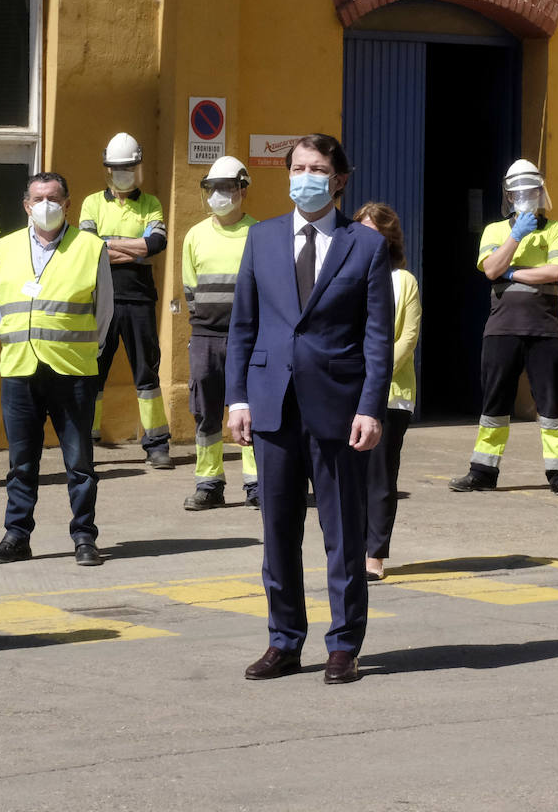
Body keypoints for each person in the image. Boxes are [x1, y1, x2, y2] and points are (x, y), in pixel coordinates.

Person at [227, 133, 393, 685]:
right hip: (273, 403)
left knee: (343, 532)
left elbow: (376, 337)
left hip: (338, 407)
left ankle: (344, 644)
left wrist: (371, 407)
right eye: (297, 167)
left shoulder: (364, 246)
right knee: (278, 530)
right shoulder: (262, 238)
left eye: (317, 168)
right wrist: (238, 397)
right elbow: (243, 327)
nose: (305, 176)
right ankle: (284, 641)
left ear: (338, 179)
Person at [0, 172, 112, 568]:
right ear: (26, 205)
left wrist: (84, 352)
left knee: (79, 462)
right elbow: (1, 309)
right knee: (21, 462)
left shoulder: (91, 248)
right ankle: (17, 535)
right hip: (20, 368)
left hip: (72, 370)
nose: (46, 205)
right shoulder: (5, 249)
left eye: (54, 198)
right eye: (38, 198)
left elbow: (104, 312)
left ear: (68, 204)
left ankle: (85, 537)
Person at [448, 160, 558, 498]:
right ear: (508, 195)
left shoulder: (556, 229)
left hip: (546, 331)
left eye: (531, 189)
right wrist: (515, 236)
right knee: (494, 405)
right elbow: (491, 268)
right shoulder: (494, 230)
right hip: (502, 329)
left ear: (541, 191)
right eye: (518, 191)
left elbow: (555, 271)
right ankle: (482, 472)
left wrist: (512, 272)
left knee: (552, 408)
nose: (525, 195)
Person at [79, 133, 173, 469]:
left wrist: (111, 245)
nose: (123, 173)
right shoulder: (92, 203)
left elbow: (157, 244)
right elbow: (89, 246)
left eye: (129, 167)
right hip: (100, 298)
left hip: (139, 298)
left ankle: (157, 445)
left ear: (138, 168)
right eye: (118, 168)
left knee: (147, 372)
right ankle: (85, 440)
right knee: (93, 371)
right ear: (107, 169)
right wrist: (135, 247)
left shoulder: (151, 203)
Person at [181, 156, 259, 510]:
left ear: (243, 189)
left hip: (251, 338)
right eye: (213, 188)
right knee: (205, 410)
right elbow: (189, 290)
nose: (219, 195)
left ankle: (257, 483)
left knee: (253, 410)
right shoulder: (194, 236)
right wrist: (203, 330)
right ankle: (209, 482)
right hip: (206, 338)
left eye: (227, 188)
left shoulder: (260, 234)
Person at [352, 202, 420, 581]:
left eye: (375, 235)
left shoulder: (403, 281)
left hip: (389, 394)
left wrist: (370, 375)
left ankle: (374, 554)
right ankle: (348, 547)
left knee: (380, 476)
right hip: (346, 391)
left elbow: (406, 339)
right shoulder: (345, 275)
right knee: (347, 477)